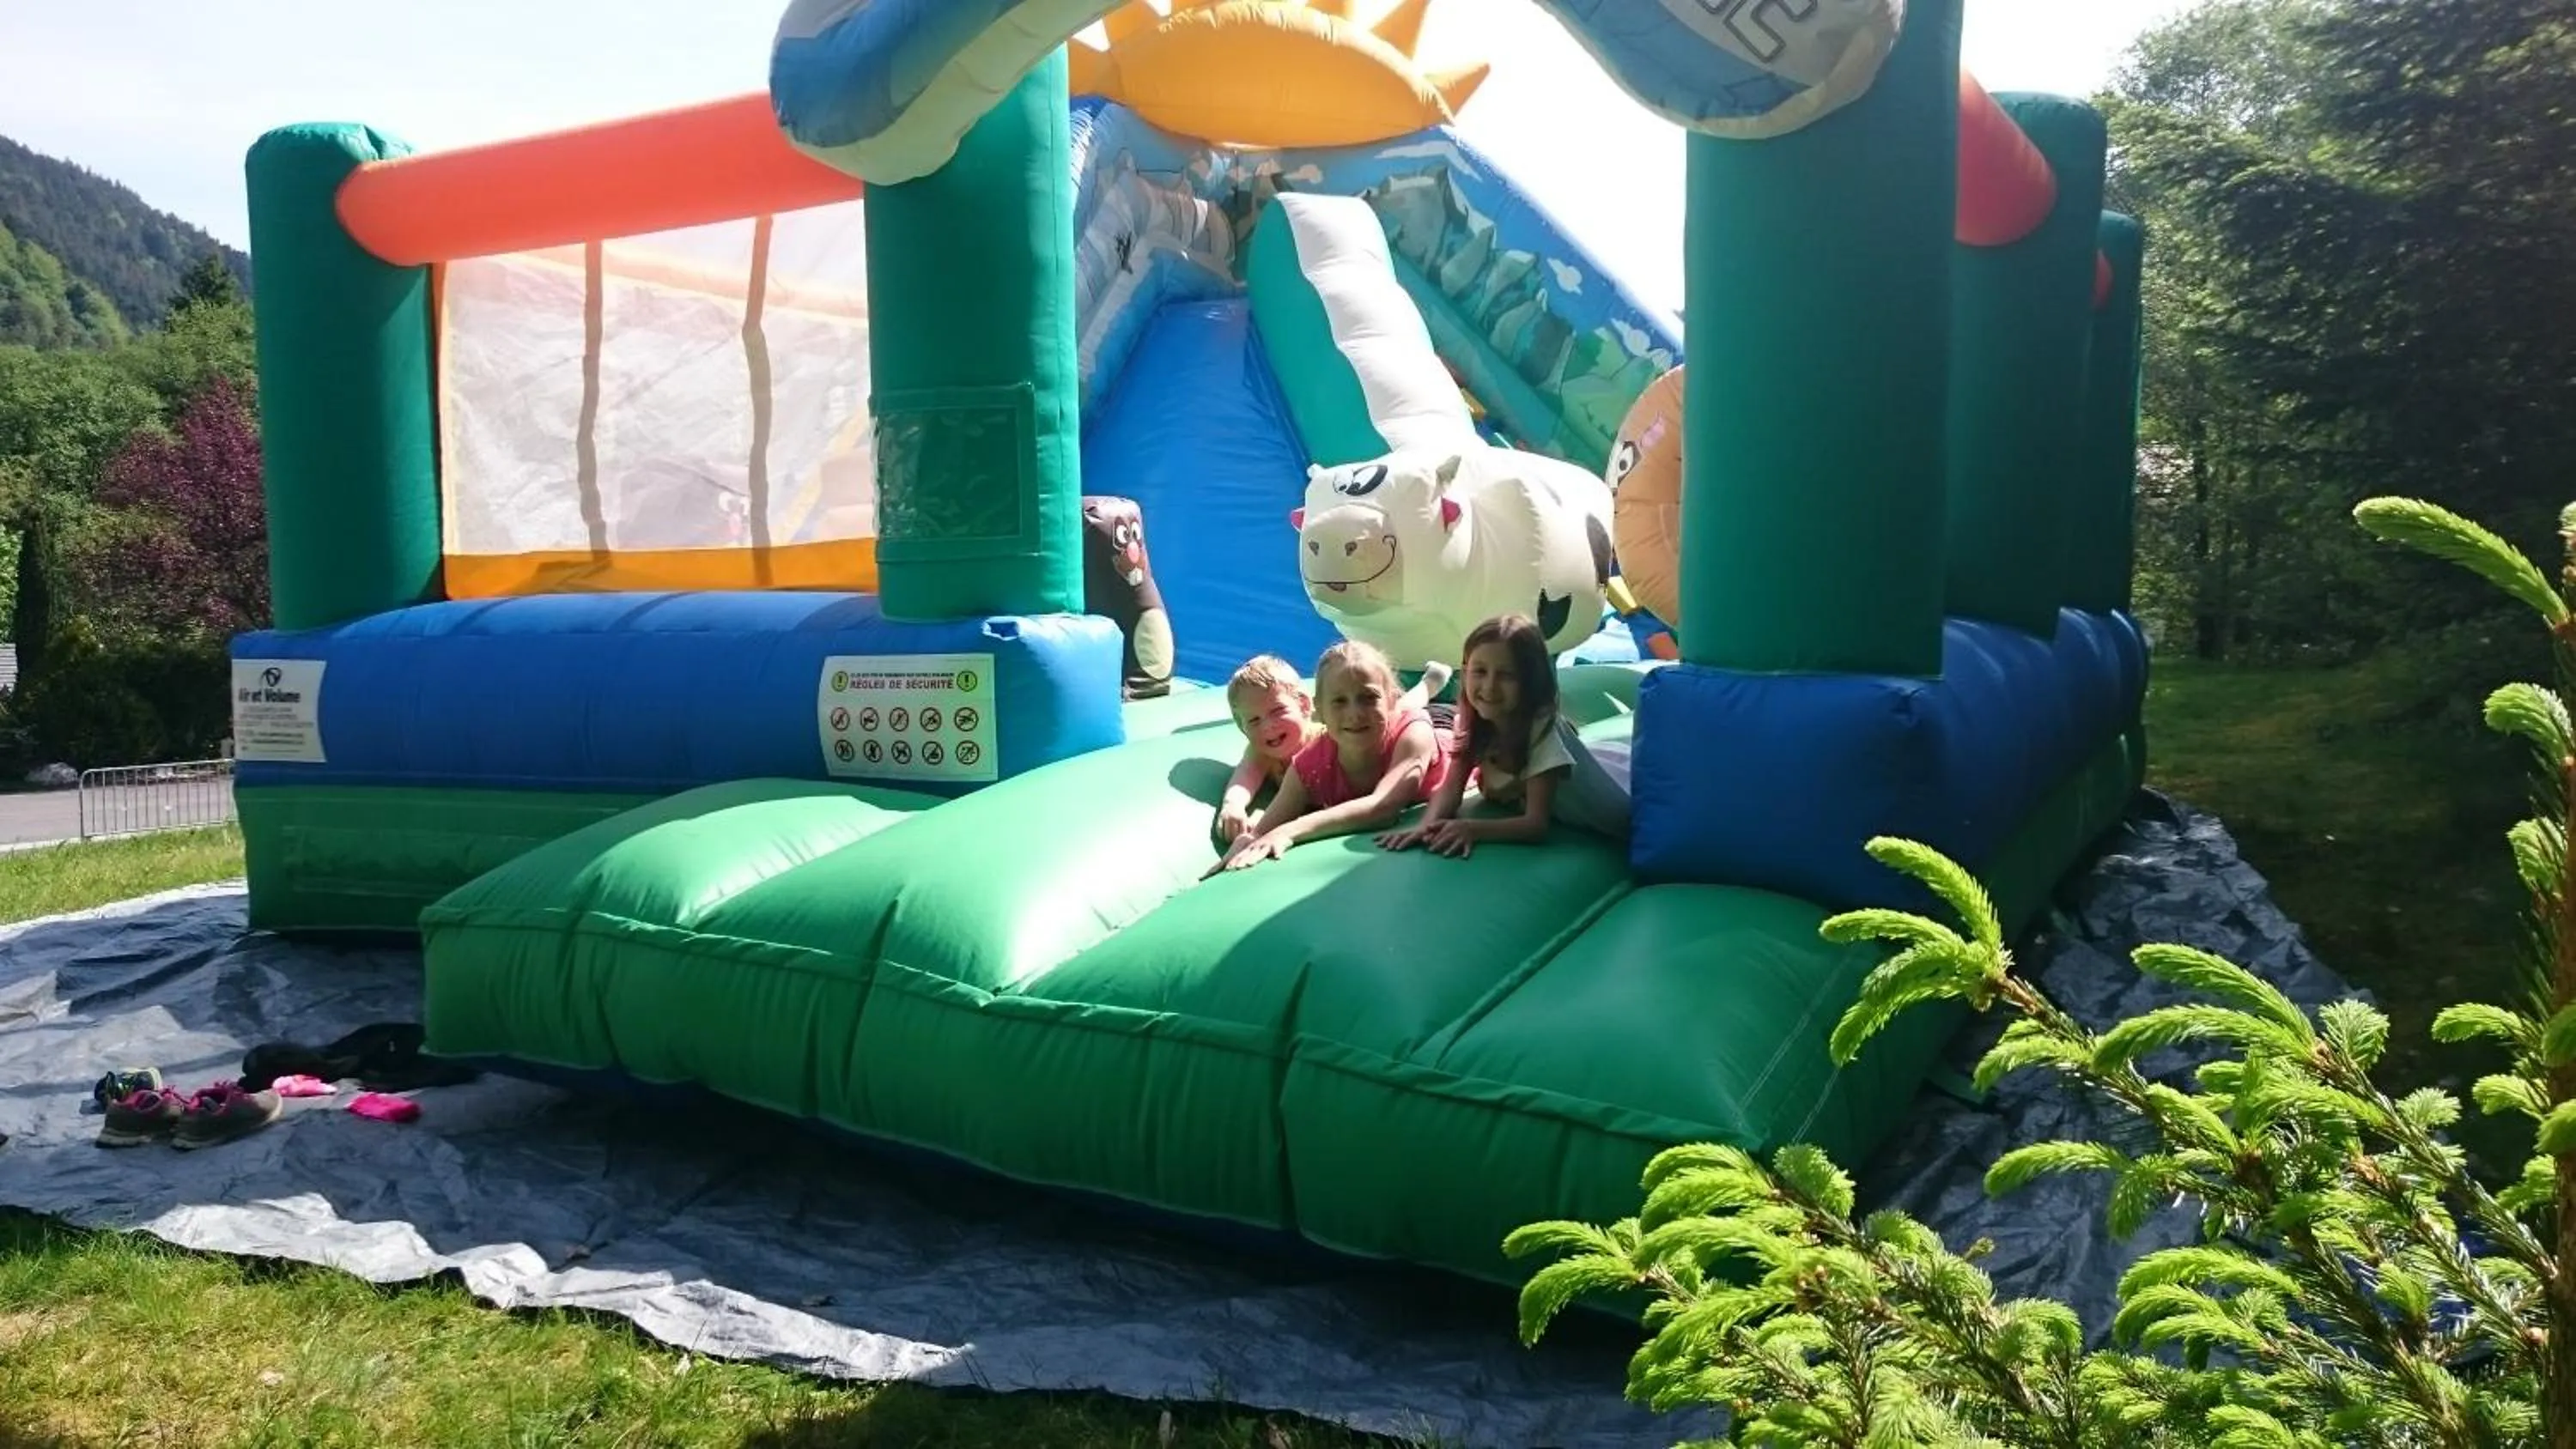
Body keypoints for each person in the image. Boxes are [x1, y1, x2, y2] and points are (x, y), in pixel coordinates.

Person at [1379, 613, 1631, 858]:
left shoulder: (1540, 727)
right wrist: (1428, 825)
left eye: (1506, 675)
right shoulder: (1472, 718)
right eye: (1480, 671)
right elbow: (1452, 787)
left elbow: (1535, 825)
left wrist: (1472, 829)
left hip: (1617, 819)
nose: (1489, 687)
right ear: (1465, 671)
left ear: (1530, 681)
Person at [1210, 640, 1451, 873]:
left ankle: (1431, 683)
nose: (1354, 713)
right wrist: (1246, 841)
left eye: (1368, 698)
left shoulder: (1414, 735)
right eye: (1339, 702)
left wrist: (1289, 831)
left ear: (1388, 699)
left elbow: (1383, 808)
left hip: (1444, 724)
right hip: (1383, 723)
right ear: (1320, 710)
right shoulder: (1309, 765)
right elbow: (1262, 829)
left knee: (1408, 707)